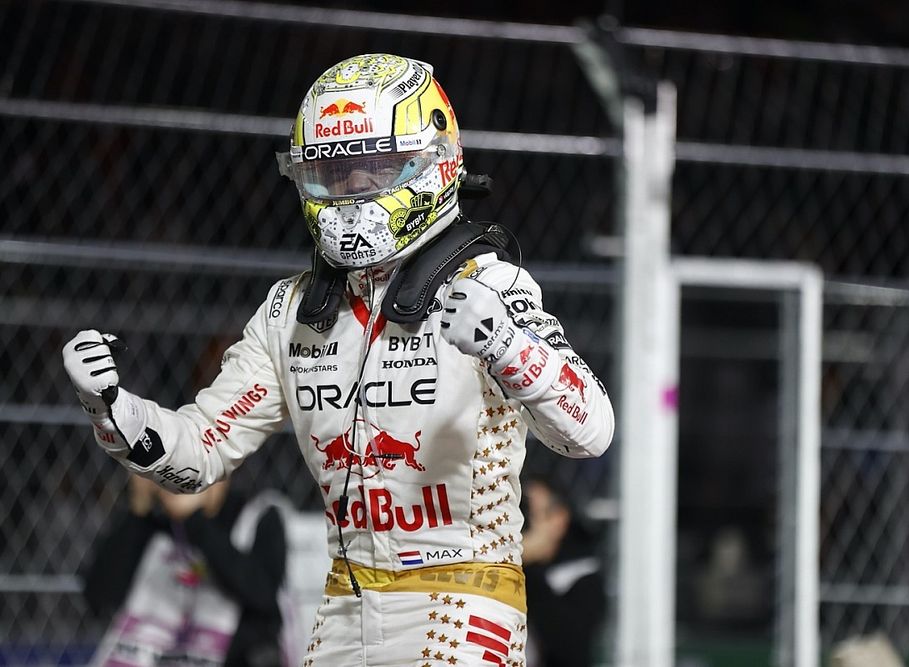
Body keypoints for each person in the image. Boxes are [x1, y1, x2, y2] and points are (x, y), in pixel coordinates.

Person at [63, 52, 614, 665]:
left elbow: (590, 431)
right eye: (332, 172)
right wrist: (113, 410)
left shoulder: (491, 284)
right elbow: (201, 454)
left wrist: (511, 349)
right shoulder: (288, 311)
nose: (352, 191)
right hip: (342, 608)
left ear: (434, 162)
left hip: (466, 601)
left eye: (373, 167)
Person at [83, 475, 290, 666]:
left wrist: (195, 520)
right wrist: (138, 510)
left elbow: (263, 595)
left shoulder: (256, 517)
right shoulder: (155, 522)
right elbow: (99, 597)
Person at [521, 476, 608, 667]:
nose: (521, 526)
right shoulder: (495, 562)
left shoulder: (583, 574)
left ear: (559, 519)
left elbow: (570, 647)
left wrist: (524, 566)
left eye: (530, 515)